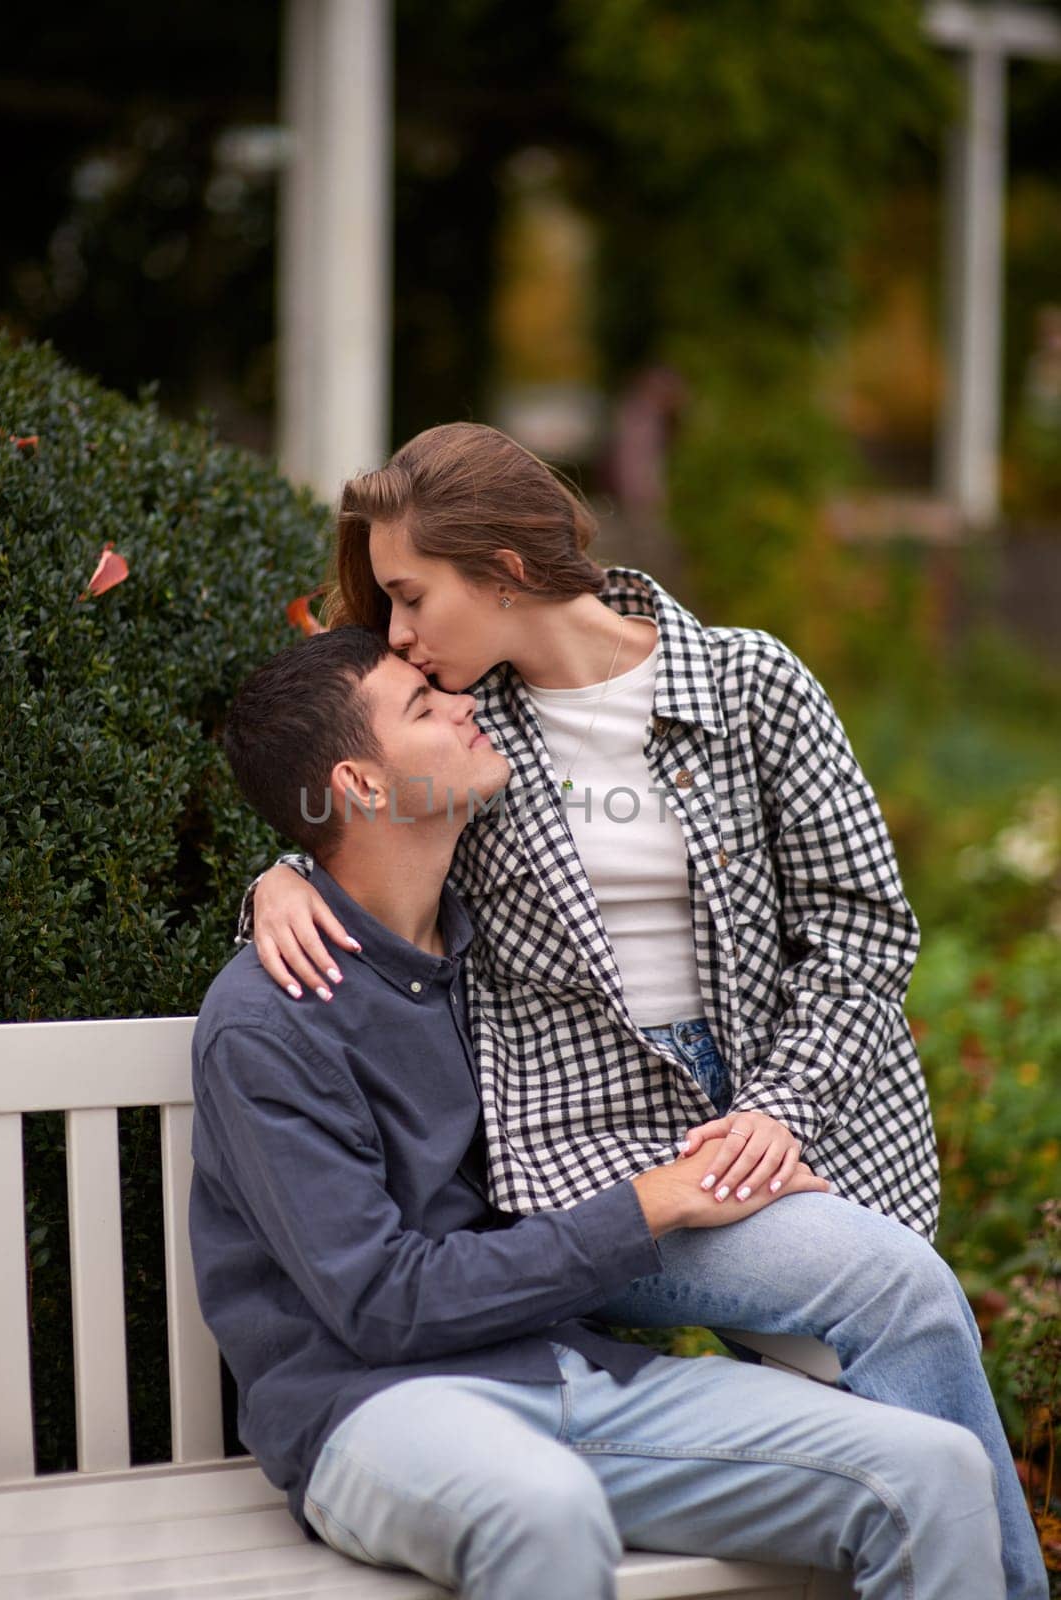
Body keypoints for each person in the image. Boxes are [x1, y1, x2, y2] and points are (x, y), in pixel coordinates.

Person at [239, 425, 1046, 1597]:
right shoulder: (470, 734)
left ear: (506, 566)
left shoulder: (752, 682)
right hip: (591, 1168)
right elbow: (343, 816)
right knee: (895, 1288)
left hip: (795, 1121)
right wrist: (273, 879)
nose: (397, 635)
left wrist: (779, 1107)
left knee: (895, 1343)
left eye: (411, 596)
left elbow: (865, 926)